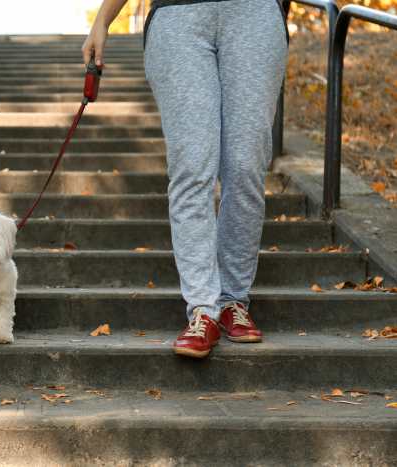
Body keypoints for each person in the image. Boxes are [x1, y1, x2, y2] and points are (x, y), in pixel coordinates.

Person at [82, 0, 289, 358]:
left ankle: (233, 301)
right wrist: (103, 19)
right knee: (192, 167)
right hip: (177, 18)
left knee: (245, 165)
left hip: (254, 15)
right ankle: (203, 310)